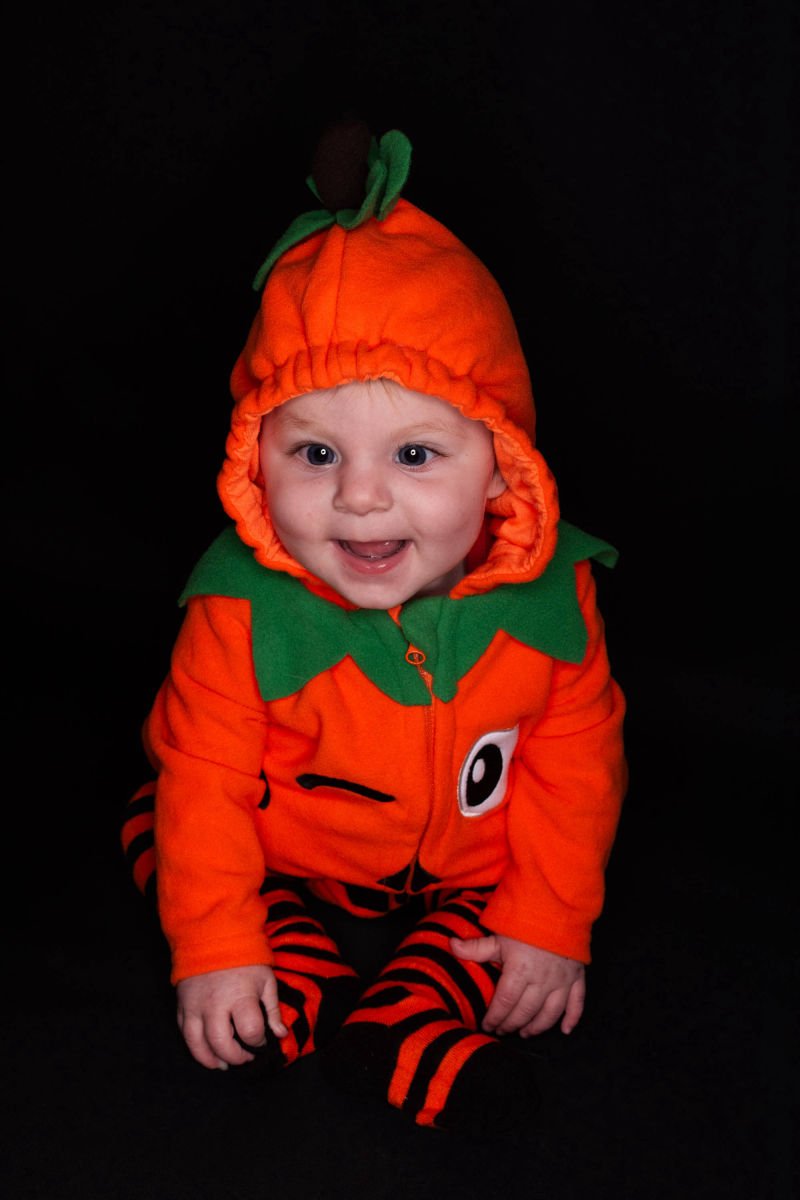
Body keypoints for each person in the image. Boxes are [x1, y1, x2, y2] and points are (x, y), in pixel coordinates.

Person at [122, 122, 626, 1134]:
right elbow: (209, 773)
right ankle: (285, 973)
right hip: (287, 856)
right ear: (253, 458)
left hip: (470, 873)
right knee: (168, 819)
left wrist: (548, 921)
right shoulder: (236, 606)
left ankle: (406, 1025)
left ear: (501, 466)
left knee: (497, 931)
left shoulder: (551, 597)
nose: (358, 499)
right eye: (314, 455)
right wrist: (216, 948)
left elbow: (575, 760)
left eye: (414, 456)